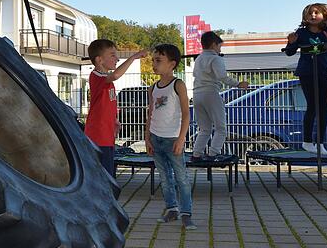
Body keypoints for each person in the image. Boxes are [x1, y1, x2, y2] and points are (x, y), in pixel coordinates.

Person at [145, 44, 196, 230]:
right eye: (153, 60)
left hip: (172, 139)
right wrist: (147, 137)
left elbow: (186, 114)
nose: (154, 64)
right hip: (156, 138)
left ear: (172, 64)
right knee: (165, 178)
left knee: (181, 177)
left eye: (158, 60)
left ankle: (186, 212)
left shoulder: (178, 85)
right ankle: (172, 209)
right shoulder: (153, 88)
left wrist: (181, 139)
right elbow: (150, 113)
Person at [284, 3, 327, 155]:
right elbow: (290, 52)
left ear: (324, 15)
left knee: (323, 108)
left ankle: (320, 143)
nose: (313, 15)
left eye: (316, 13)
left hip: (323, 72)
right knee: (313, 105)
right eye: (310, 13)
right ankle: (307, 141)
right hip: (306, 72)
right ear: (305, 17)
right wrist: (290, 43)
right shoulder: (301, 32)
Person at [84, 39, 147, 176]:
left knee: (108, 172)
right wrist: (134, 57)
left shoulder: (106, 80)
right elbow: (116, 74)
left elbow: (107, 104)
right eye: (112, 55)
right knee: (103, 175)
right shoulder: (97, 76)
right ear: (99, 60)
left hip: (107, 135)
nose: (117, 59)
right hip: (98, 135)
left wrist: (114, 120)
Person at [191, 31, 248, 160]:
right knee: (221, 128)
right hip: (211, 93)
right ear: (213, 44)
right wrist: (238, 84)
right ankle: (213, 153)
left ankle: (196, 154)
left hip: (197, 94)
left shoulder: (199, 58)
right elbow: (222, 76)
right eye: (219, 46)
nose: (219, 49)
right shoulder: (215, 58)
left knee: (204, 129)